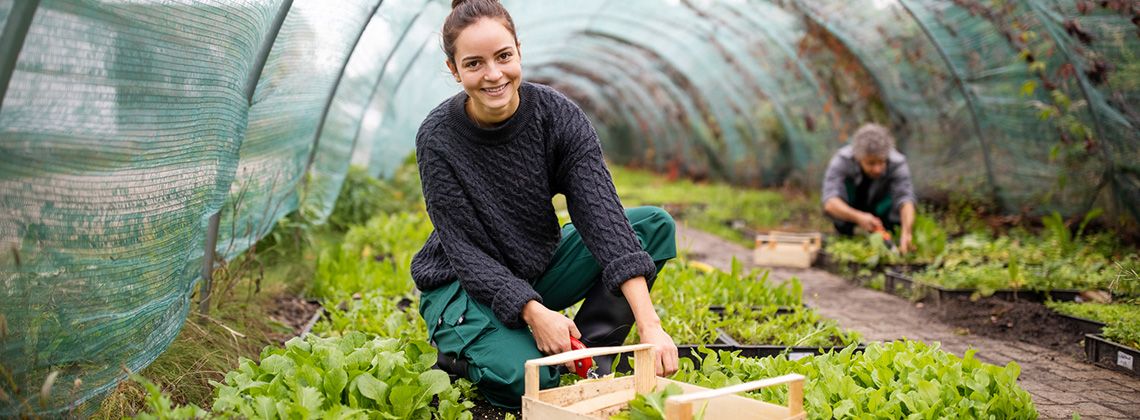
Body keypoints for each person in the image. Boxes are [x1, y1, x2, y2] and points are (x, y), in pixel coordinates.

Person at [410, 0, 679, 408]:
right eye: (474, 63)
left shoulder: (556, 116)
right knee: (531, 380)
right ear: (454, 69)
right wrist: (535, 313)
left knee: (653, 226)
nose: (494, 74)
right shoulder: (438, 138)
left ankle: (592, 354)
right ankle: (464, 354)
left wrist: (651, 325)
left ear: (519, 49)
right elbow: (466, 252)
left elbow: (602, 217)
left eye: (503, 56)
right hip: (462, 285)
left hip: (533, 265)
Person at [821, 123, 917, 253]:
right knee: (840, 204)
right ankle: (846, 235)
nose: (877, 169)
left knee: (897, 206)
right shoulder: (842, 161)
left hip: (881, 205)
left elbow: (906, 200)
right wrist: (858, 217)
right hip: (853, 204)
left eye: (881, 162)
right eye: (871, 163)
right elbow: (830, 203)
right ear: (858, 158)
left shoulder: (897, 163)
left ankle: (891, 236)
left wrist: (907, 232)